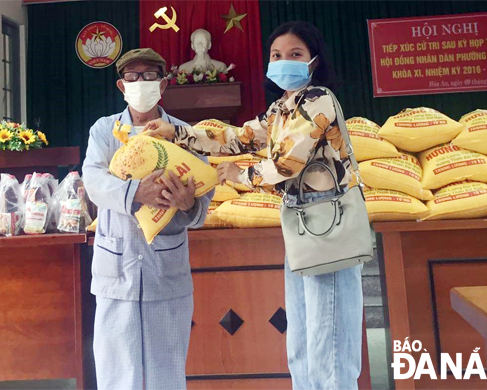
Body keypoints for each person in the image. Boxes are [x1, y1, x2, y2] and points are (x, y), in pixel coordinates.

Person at [145, 22, 363, 390]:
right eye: (276, 55)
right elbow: (237, 138)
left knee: (330, 338)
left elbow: (285, 164)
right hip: (301, 220)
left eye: (295, 54)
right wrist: (177, 133)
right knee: (302, 339)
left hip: (328, 220)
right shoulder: (282, 108)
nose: (283, 62)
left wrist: (238, 175)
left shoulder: (317, 99)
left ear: (314, 61)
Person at [82, 48, 213, 390]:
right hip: (117, 269)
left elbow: (203, 195)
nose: (141, 83)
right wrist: (138, 193)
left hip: (165, 272)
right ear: (121, 86)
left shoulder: (184, 133)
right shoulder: (104, 131)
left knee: (165, 370)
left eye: (150, 76)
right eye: (133, 77)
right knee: (116, 371)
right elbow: (94, 181)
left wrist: (187, 204)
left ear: (164, 84)